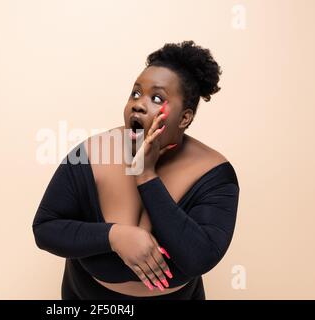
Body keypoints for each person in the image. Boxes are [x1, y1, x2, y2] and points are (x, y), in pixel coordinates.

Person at [33, 40, 240, 300]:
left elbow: (199, 257)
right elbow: (45, 228)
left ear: (184, 118)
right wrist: (115, 236)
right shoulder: (89, 154)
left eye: (156, 98)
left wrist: (146, 175)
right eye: (135, 93)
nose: (138, 104)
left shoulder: (214, 173)